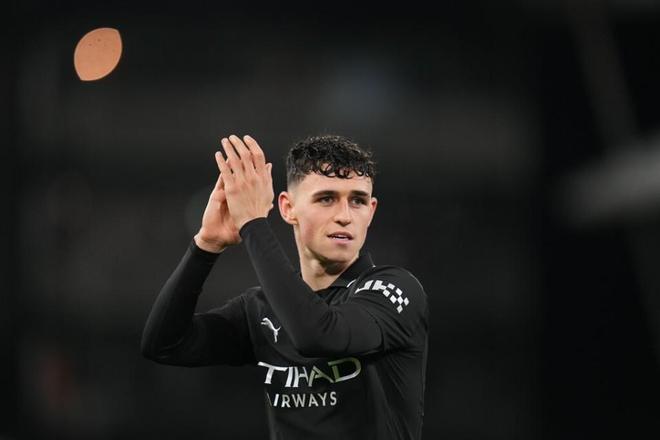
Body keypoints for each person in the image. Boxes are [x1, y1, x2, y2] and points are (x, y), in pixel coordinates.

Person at [141, 134, 429, 440]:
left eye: (357, 200)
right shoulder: (263, 309)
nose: (344, 216)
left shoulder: (395, 290)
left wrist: (253, 223)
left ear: (371, 211)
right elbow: (164, 344)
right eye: (326, 198)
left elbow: (319, 334)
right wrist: (205, 245)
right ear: (288, 208)